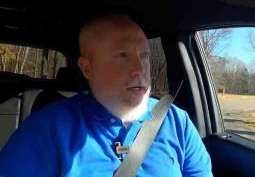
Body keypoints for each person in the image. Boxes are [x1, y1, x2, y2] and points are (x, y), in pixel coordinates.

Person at [0, 14, 213, 176]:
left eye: (144, 56)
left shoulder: (177, 123)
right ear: (87, 69)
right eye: (123, 56)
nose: (139, 69)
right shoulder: (46, 130)